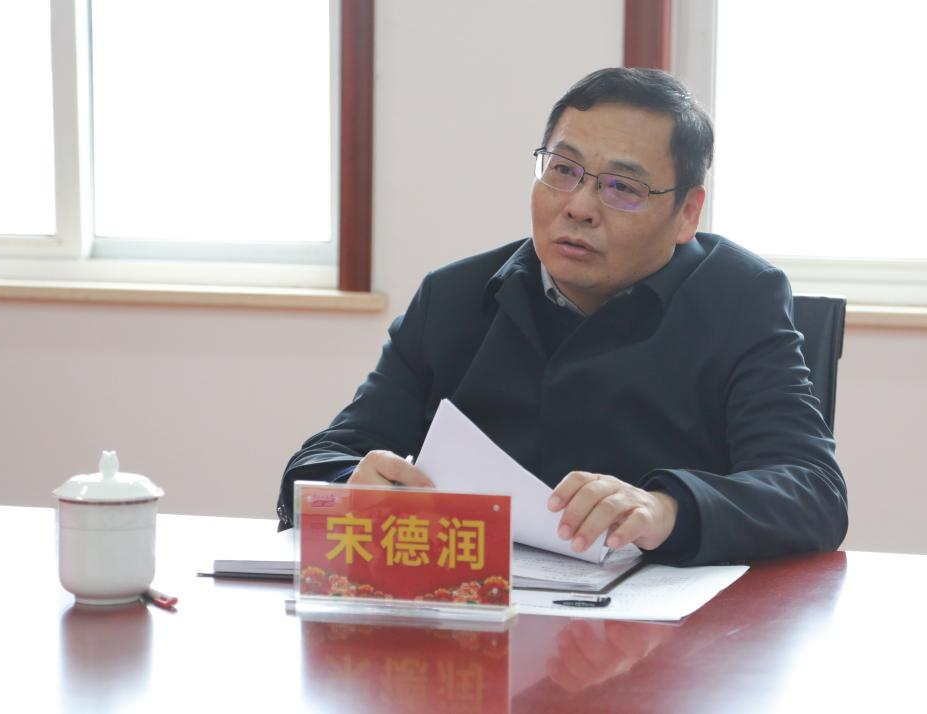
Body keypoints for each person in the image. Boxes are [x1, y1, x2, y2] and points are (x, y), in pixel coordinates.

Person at [278, 67, 847, 566]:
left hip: (660, 634)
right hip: (476, 615)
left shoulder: (739, 299)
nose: (578, 206)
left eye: (622, 187)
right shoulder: (453, 297)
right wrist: (349, 484)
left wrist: (666, 508)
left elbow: (813, 491)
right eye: (563, 170)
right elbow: (322, 460)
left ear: (686, 214)